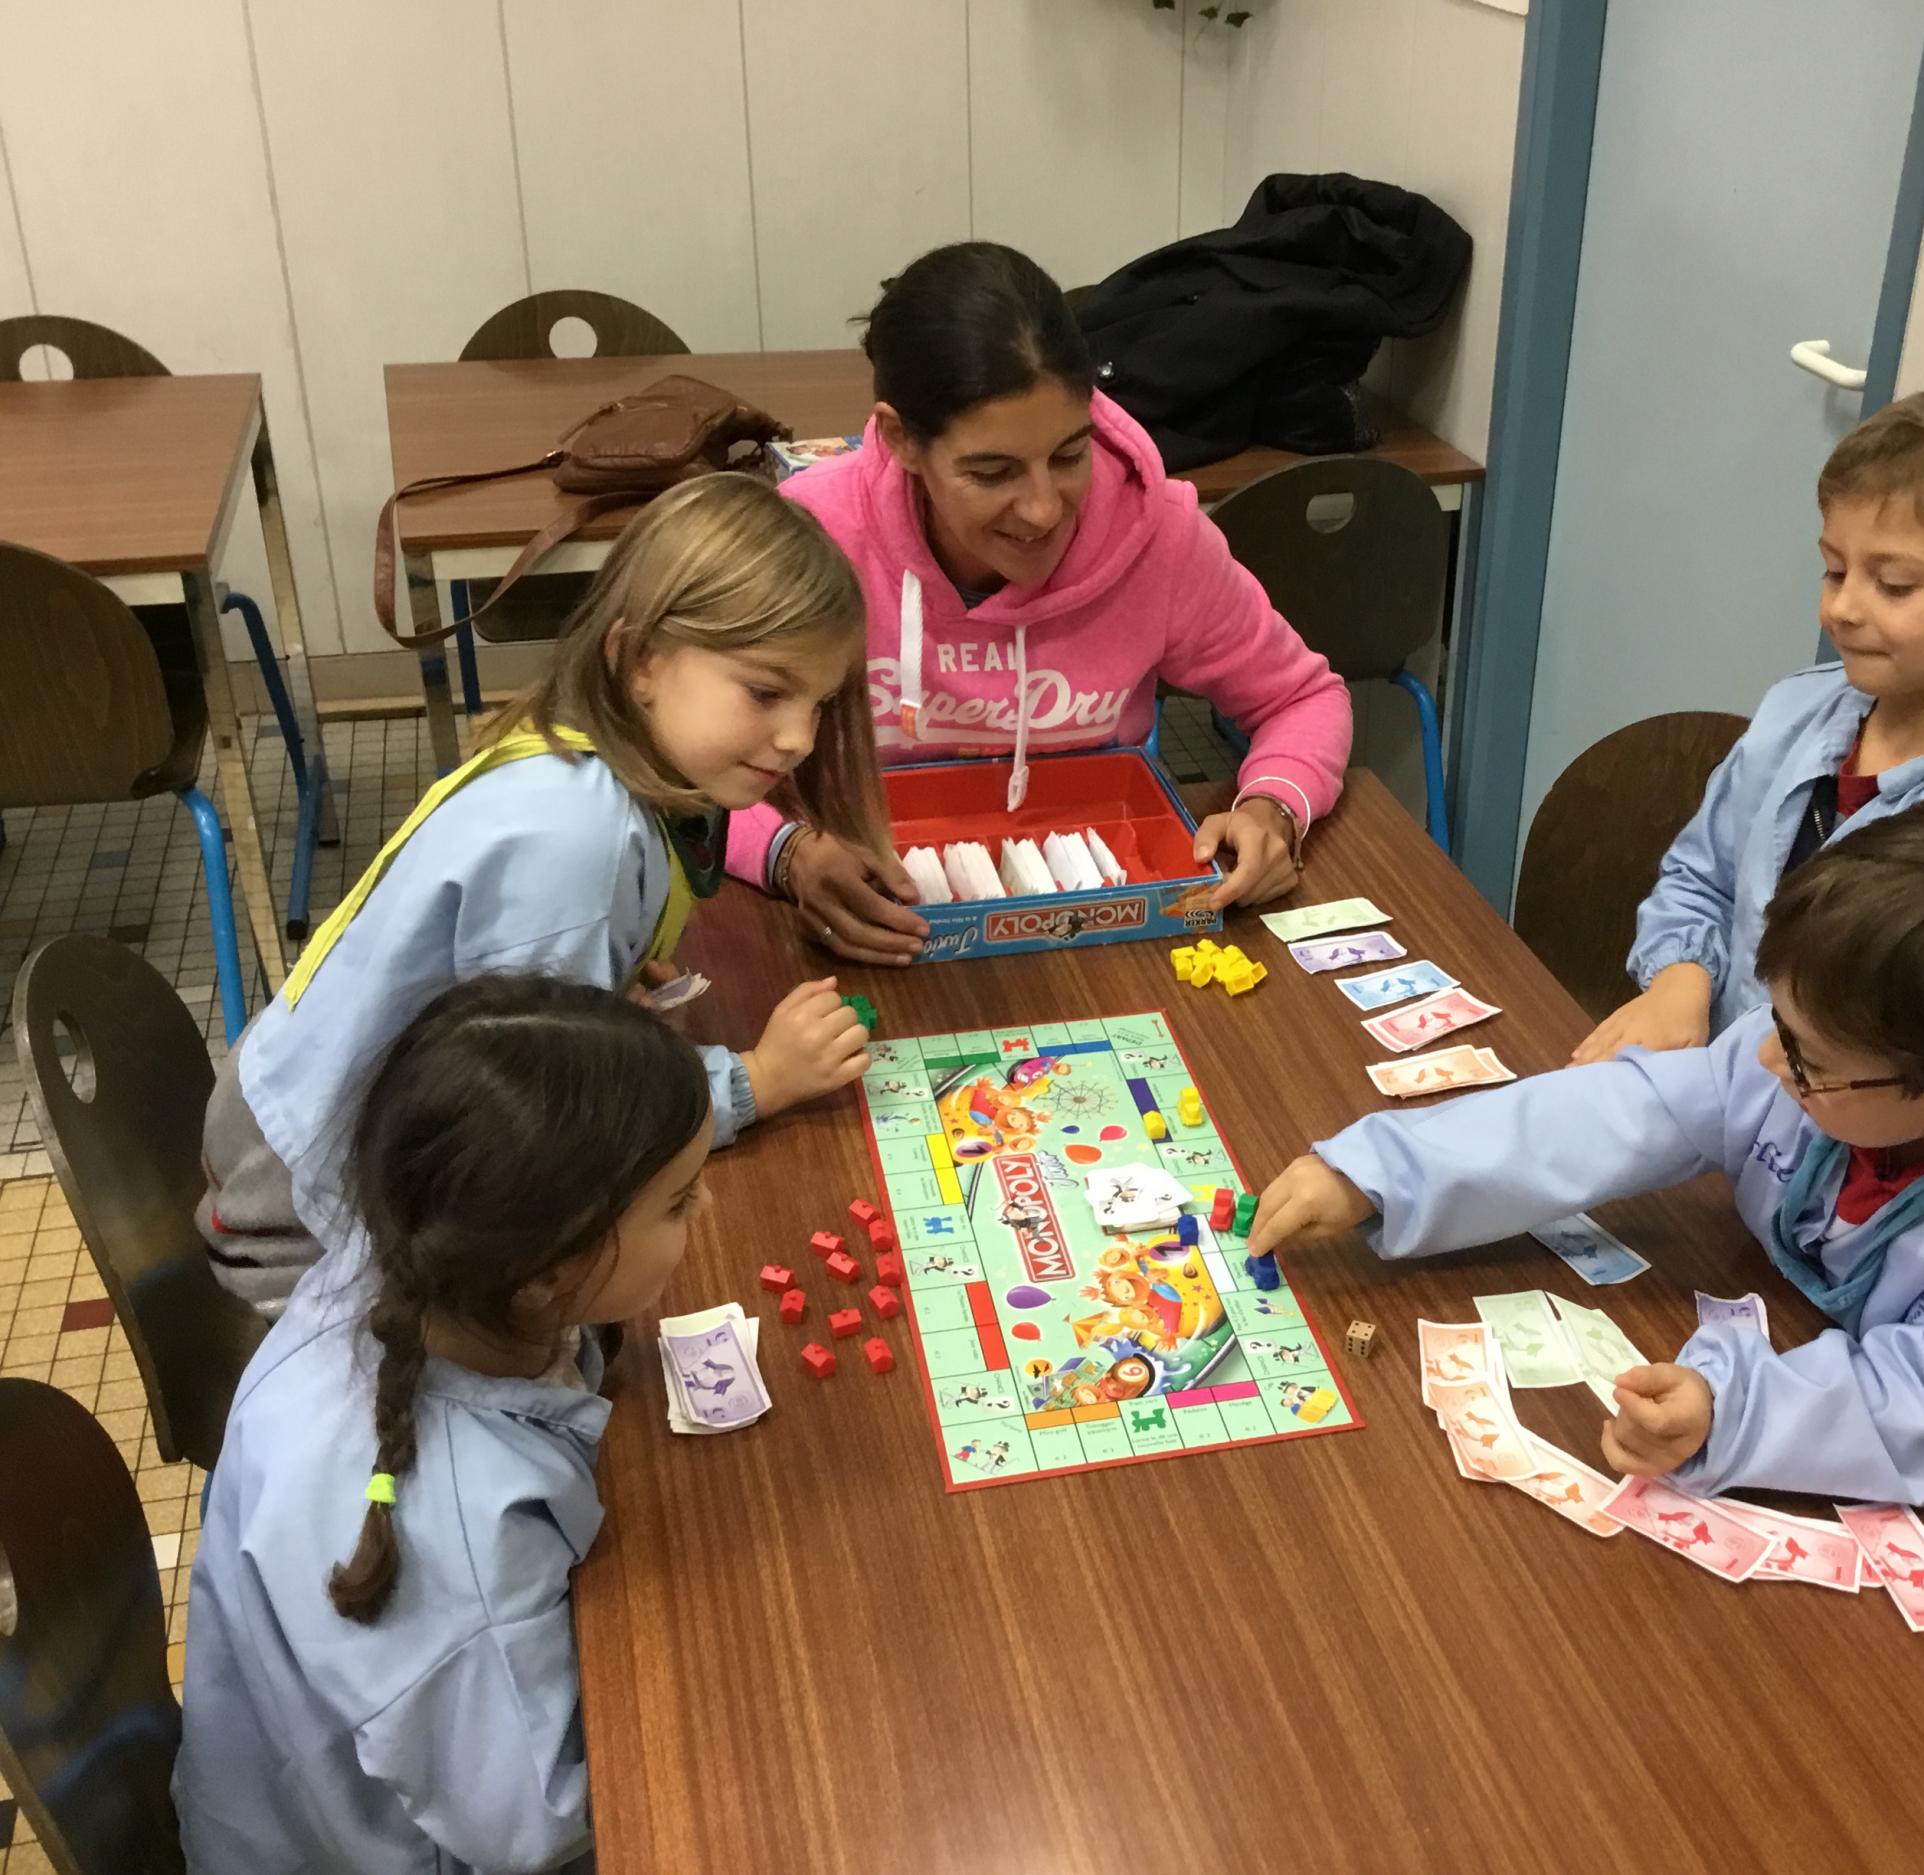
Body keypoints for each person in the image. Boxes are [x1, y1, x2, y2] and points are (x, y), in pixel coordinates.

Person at [1250, 797, 1924, 1590]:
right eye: (1776, 1020)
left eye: (1804, 1058)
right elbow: (1635, 1107)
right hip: (1855, 1381)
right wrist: (1387, 1172)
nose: (1766, 1059)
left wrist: (1729, 1411)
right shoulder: (1855, 1055)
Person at [198, 473, 885, 1314]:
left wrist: (604, 984)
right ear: (639, 659)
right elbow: (545, 1128)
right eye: (767, 692)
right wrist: (758, 1079)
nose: (799, 737)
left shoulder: (591, 752)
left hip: (296, 1124)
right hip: (307, 1222)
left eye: (820, 702)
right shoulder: (578, 837)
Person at [177, 976, 714, 1873]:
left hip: (300, 1792)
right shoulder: (459, 1554)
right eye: (680, 1201)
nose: (707, 1210)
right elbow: (546, 1825)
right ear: (548, 1271)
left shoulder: (413, 1255)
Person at [722, 240, 1355, 959]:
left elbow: (1303, 698)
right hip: (863, 930)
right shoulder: (811, 540)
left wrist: (1273, 806)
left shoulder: (1159, 536)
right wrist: (786, 852)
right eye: (992, 472)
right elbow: (669, 760)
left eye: (1069, 455)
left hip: (1101, 921)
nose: (1043, 509)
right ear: (901, 440)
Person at [1576, 385, 1924, 1063]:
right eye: (1834, 570)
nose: (1842, 608)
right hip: (1714, 1091)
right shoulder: (1795, 713)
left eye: (1894, 585)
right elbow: (1702, 876)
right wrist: (1680, 981)